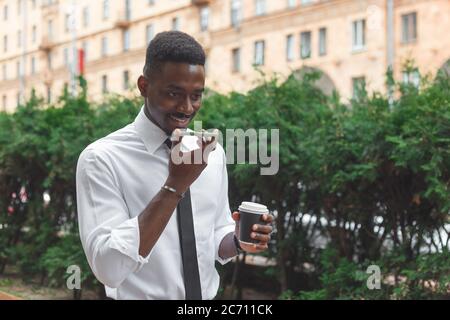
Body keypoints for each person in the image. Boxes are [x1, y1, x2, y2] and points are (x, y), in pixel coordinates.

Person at [76, 31, 273, 300]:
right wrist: (174, 186)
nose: (187, 107)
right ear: (144, 86)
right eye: (174, 93)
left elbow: (216, 237)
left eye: (197, 95)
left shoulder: (211, 155)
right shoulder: (102, 158)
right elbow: (108, 267)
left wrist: (239, 240)